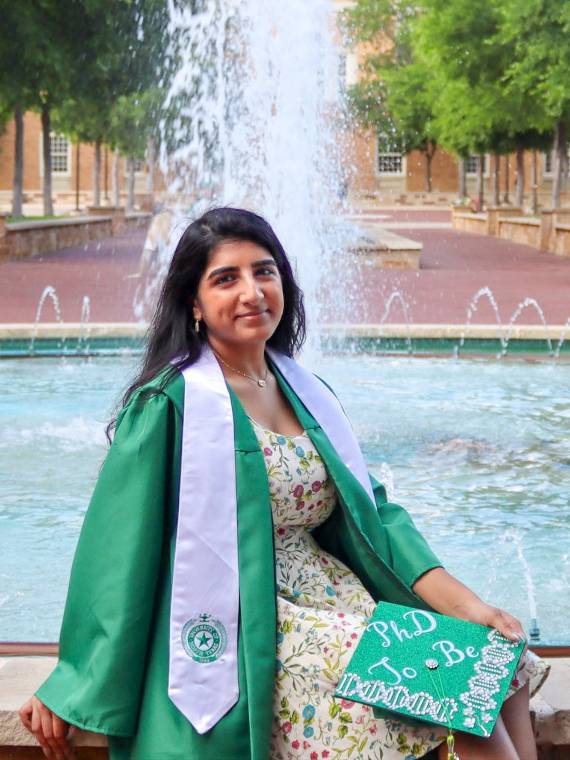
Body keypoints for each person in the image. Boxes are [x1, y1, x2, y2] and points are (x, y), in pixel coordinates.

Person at [20, 207, 548, 760]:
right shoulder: (169, 405)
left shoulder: (303, 389)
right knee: (460, 698)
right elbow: (116, 550)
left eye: (264, 271)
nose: (252, 292)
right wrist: (73, 681)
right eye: (226, 278)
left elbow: (377, 518)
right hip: (253, 620)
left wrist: (468, 606)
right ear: (193, 303)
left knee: (499, 665)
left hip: (335, 598)